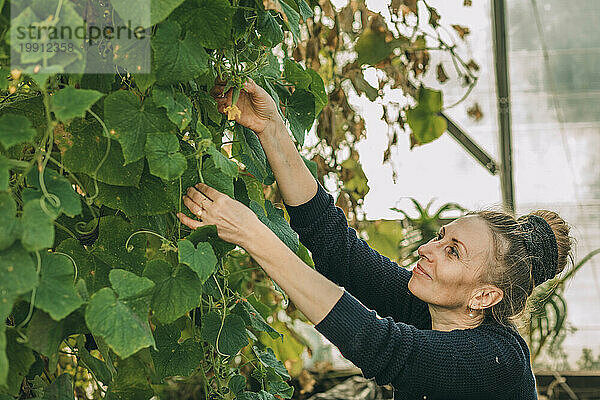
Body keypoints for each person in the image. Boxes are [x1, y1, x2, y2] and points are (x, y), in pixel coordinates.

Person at [177, 78, 575, 399]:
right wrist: (272, 129)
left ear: (484, 297)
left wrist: (252, 233)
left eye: (452, 251)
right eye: (440, 237)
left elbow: (377, 344)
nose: (426, 249)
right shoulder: (429, 307)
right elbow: (338, 248)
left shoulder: (496, 361)